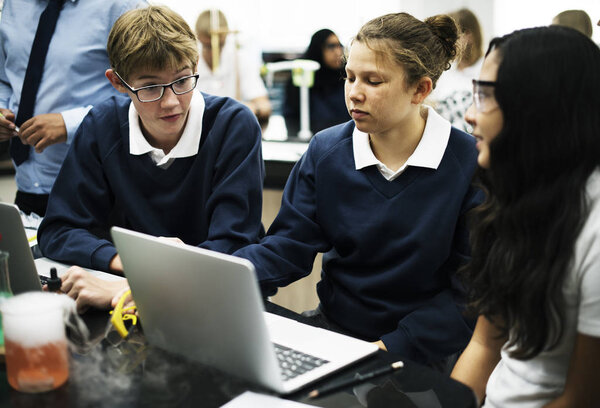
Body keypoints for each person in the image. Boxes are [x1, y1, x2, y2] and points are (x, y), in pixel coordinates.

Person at [235, 12, 483, 371]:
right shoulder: (326, 151)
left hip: (419, 354)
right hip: (334, 334)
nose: (354, 92)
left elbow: (469, 293)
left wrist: (388, 349)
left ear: (420, 89)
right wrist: (216, 275)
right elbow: (288, 248)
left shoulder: (467, 163)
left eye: (373, 80)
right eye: (350, 77)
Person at [37, 5, 264, 311]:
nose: (170, 102)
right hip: (126, 300)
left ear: (195, 64)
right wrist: (129, 265)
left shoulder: (233, 125)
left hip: (216, 302)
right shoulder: (101, 125)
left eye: (182, 80)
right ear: (117, 82)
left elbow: (232, 247)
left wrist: (140, 285)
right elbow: (59, 230)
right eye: (150, 87)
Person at [450, 26, 600, 407]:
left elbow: (581, 399)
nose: (468, 115)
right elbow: (485, 344)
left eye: (484, 97)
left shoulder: (594, 229)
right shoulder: (522, 197)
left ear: (536, 107)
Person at [0, 0, 144, 216]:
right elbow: (4, 78)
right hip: (28, 191)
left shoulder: (123, 6)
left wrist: (72, 124)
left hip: (98, 194)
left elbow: (147, 93)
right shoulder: (13, 4)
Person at [194, 9, 271, 126]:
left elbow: (265, 106)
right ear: (198, 38)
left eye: (219, 45)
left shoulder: (240, 59)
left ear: (226, 36)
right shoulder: (190, 63)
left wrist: (250, 108)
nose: (213, 52)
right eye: (208, 46)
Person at [283, 28, 348, 137]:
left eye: (339, 46)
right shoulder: (301, 81)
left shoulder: (346, 79)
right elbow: (291, 118)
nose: (338, 52)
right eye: (331, 46)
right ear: (318, 49)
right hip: (311, 142)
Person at [429, 8, 484, 133]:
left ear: (468, 35)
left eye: (452, 36)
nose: (447, 41)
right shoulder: (444, 70)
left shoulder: (486, 69)